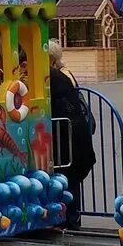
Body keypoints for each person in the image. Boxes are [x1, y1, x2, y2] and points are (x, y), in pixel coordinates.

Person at [47, 39, 95, 230]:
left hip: (69, 137)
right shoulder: (62, 74)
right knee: (68, 177)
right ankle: (68, 218)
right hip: (71, 135)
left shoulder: (58, 77)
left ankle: (69, 219)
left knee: (68, 177)